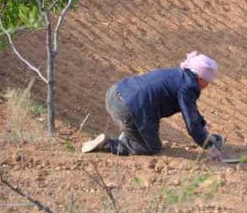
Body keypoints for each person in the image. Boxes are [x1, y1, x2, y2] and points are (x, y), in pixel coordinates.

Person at [81, 51, 224, 158]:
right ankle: (109, 144)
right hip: (129, 108)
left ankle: (129, 133)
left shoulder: (177, 74)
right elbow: (192, 123)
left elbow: (192, 112)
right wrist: (209, 146)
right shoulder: (189, 86)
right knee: (151, 147)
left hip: (115, 93)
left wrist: (205, 134)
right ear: (200, 78)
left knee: (147, 122)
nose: (208, 85)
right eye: (208, 81)